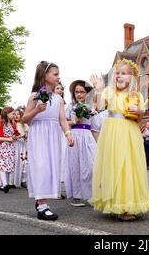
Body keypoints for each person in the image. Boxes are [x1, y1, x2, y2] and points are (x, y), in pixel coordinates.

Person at [90, 58, 149, 221]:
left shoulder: (136, 95)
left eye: (124, 73)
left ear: (132, 77)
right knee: (114, 164)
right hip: (112, 132)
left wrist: (138, 110)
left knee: (128, 166)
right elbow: (98, 107)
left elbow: (140, 118)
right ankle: (114, 202)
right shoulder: (109, 92)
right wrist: (98, 90)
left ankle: (127, 204)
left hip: (129, 131)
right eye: (117, 73)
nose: (119, 76)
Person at [23, 61, 74, 221]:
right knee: (41, 166)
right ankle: (43, 205)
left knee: (51, 167)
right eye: (55, 74)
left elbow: (62, 119)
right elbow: (25, 119)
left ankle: (41, 201)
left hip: (53, 134)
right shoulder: (34, 96)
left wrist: (67, 134)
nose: (58, 77)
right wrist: (36, 110)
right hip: (38, 133)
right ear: (45, 76)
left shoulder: (58, 98)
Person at [65, 79, 96, 207]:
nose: (79, 94)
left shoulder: (91, 107)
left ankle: (91, 195)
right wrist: (74, 120)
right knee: (75, 166)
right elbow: (63, 123)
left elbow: (95, 126)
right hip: (75, 136)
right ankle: (77, 196)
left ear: (87, 93)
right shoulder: (69, 107)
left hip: (87, 136)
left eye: (82, 92)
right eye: (77, 92)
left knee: (90, 165)